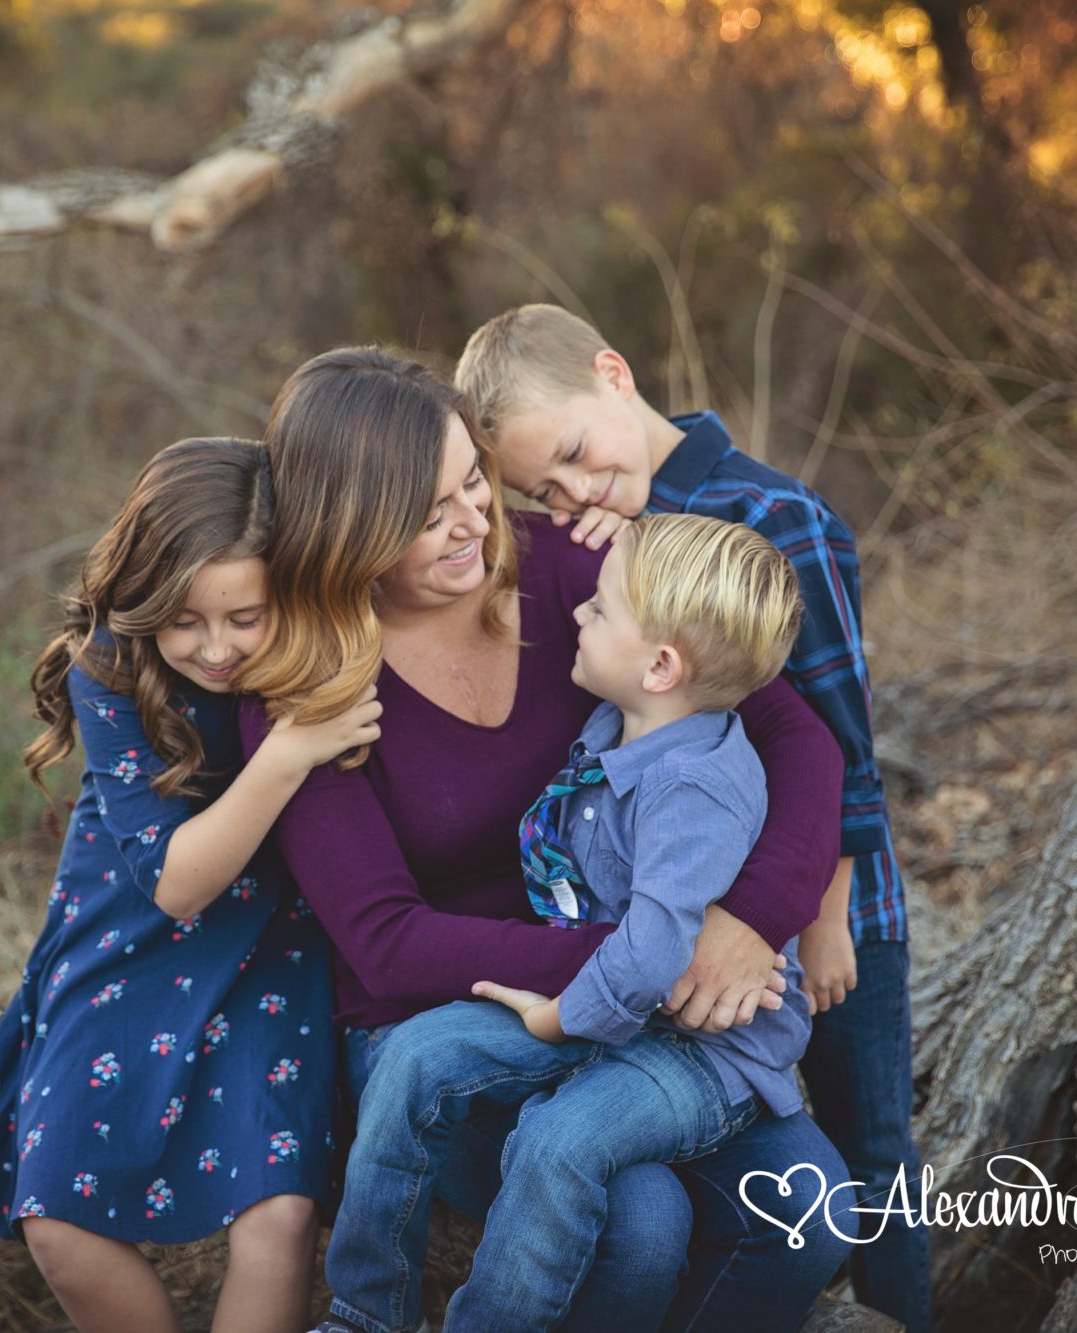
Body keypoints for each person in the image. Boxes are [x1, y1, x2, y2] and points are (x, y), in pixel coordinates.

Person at [236, 347, 857, 1333]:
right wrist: (640, 963)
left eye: (473, 479)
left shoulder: (567, 562)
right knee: (637, 1221)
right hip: (443, 1013)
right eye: (428, 510)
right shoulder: (309, 678)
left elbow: (795, 734)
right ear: (347, 525)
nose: (474, 519)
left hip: (648, 985)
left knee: (803, 1216)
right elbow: (386, 937)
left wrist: (748, 920)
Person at [457, 304, 930, 1331]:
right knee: (742, 1154)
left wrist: (815, 912)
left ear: (614, 373)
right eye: (544, 488)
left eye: (576, 454)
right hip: (681, 926)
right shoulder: (602, 540)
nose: (574, 492)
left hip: (826, 915)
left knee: (872, 1150)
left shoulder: (769, 515)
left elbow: (836, 741)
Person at [313, 513, 813, 1333]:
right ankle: (364, 1312)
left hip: (698, 1050)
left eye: (601, 610)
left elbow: (656, 956)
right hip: (614, 1010)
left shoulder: (695, 787)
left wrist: (555, 1016)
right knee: (410, 1058)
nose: (577, 613)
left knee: (559, 1141)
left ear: (660, 665)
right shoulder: (623, 723)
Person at [0, 438, 381, 1333]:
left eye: (243, 617)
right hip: (127, 926)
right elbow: (175, 882)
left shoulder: (327, 639)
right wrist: (292, 750)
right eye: (183, 619)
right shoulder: (107, 664)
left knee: (278, 1211)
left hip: (270, 942)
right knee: (60, 1219)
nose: (214, 649)